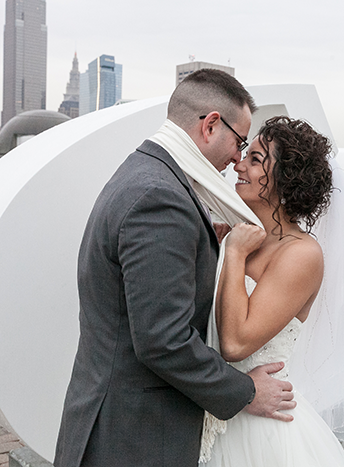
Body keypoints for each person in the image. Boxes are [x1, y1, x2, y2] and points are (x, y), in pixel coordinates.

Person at [54, 70, 295, 467]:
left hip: (117, 421)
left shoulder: (146, 173)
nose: (237, 158)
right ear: (211, 125)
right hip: (133, 438)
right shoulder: (160, 198)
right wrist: (246, 391)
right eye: (239, 143)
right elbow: (163, 339)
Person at [199, 116, 344, 466]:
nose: (238, 164)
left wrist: (235, 254)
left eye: (255, 160)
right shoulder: (236, 233)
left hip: (261, 431)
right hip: (216, 411)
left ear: (284, 180)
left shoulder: (301, 254)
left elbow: (236, 343)